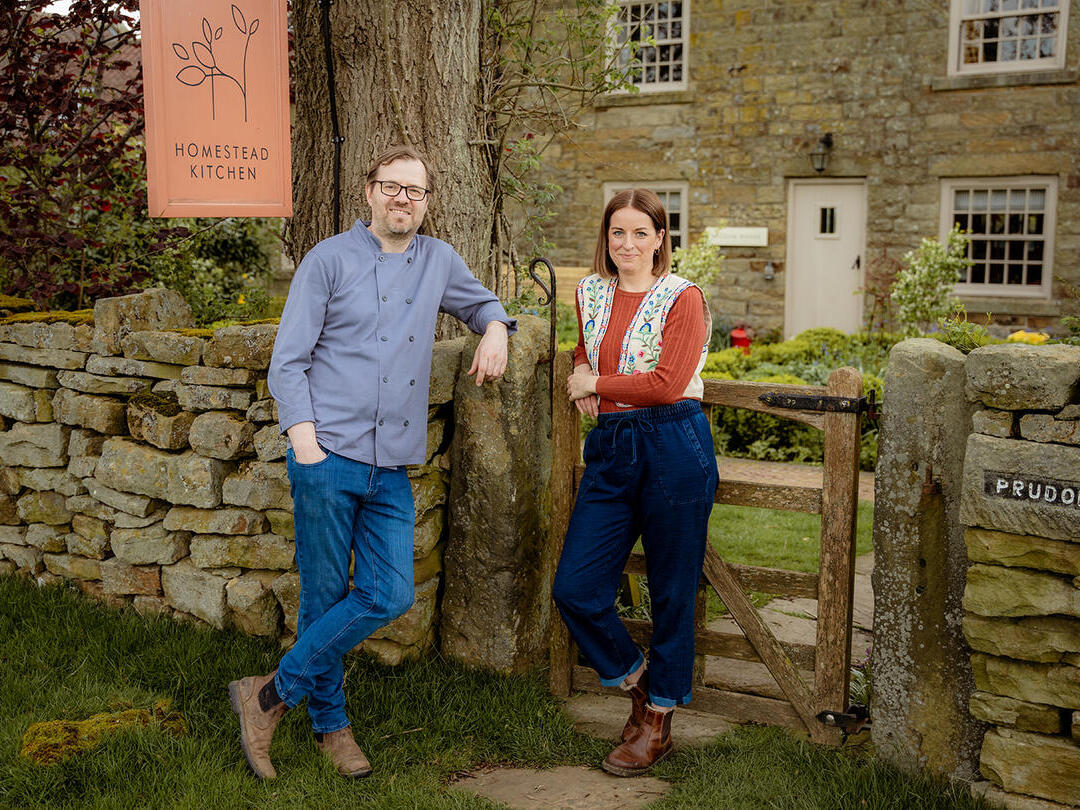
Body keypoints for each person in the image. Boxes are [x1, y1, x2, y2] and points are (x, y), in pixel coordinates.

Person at [228, 145, 516, 780]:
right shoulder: (328, 260)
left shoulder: (438, 261)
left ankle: (269, 694)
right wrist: (304, 439)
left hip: (391, 467)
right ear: (368, 191)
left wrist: (496, 329)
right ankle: (332, 728)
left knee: (389, 593)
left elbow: (483, 305)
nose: (402, 199)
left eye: (414, 190)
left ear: (428, 200)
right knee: (325, 596)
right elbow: (289, 358)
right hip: (327, 454)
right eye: (391, 187)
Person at [552, 188, 717, 777]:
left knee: (673, 590)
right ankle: (643, 688)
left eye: (640, 234)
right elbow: (584, 350)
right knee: (574, 586)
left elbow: (669, 382)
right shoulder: (589, 291)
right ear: (606, 237)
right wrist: (580, 371)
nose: (627, 244)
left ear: (660, 240)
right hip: (612, 449)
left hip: (674, 443)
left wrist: (595, 385)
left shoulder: (684, 297)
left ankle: (658, 724)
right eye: (617, 233)